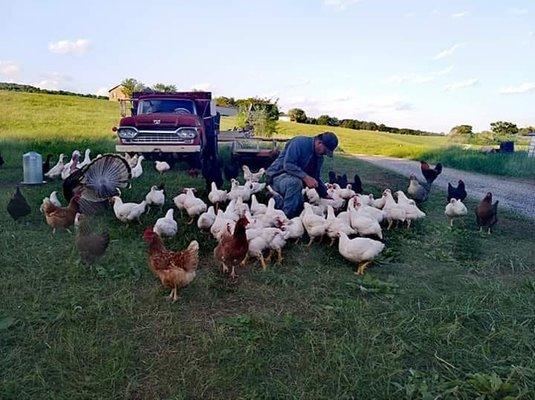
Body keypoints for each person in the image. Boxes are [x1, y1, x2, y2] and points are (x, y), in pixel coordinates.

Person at [266, 131, 339, 218]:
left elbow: (316, 177)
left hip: (292, 180)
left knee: (300, 205)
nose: (325, 154)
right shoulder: (299, 143)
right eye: (325, 150)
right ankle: (285, 220)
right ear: (319, 143)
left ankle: (277, 201)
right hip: (276, 177)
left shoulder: (319, 158)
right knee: (295, 183)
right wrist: (306, 177)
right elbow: (288, 165)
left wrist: (324, 194)